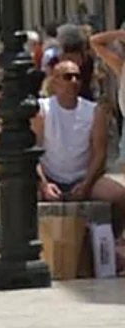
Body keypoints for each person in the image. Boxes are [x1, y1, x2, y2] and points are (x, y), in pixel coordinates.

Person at [33, 58, 125, 231]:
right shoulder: (42, 110)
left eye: (77, 76)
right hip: (50, 177)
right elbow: (33, 151)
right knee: (20, 198)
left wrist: (86, 184)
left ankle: (114, 241)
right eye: (67, 77)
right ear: (55, 81)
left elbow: (100, 153)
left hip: (83, 178)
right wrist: (44, 184)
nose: (73, 81)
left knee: (119, 196)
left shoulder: (93, 111)